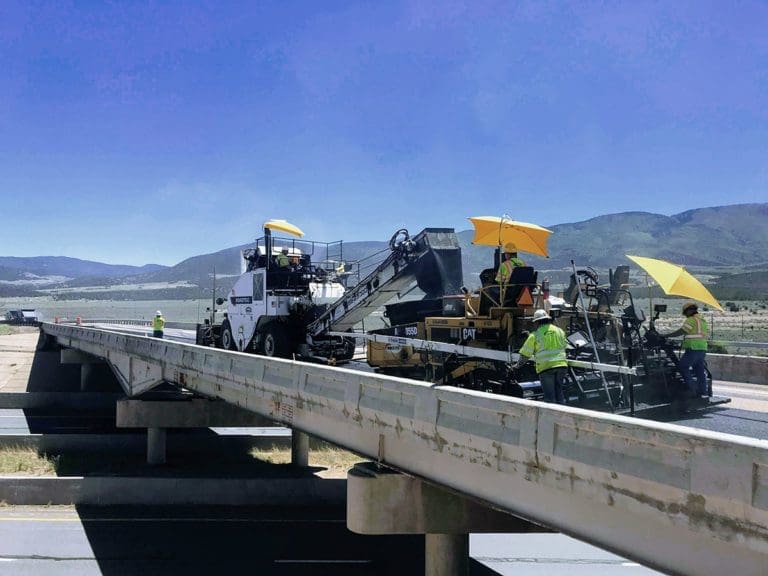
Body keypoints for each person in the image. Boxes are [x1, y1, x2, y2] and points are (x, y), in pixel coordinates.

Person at [516, 309, 568, 404]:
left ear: (537, 322)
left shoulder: (535, 335)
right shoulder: (559, 331)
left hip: (546, 368)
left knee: (550, 397)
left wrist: (516, 366)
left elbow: (525, 355)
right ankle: (562, 412)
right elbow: (566, 346)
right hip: (561, 366)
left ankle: (550, 413)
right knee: (559, 394)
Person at [660, 302, 709, 397]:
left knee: (682, 366)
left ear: (689, 310)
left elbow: (681, 331)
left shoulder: (691, 320)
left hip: (693, 348)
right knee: (699, 370)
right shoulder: (702, 320)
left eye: (685, 313)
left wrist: (666, 335)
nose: (685, 315)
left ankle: (692, 389)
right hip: (702, 348)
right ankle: (703, 391)